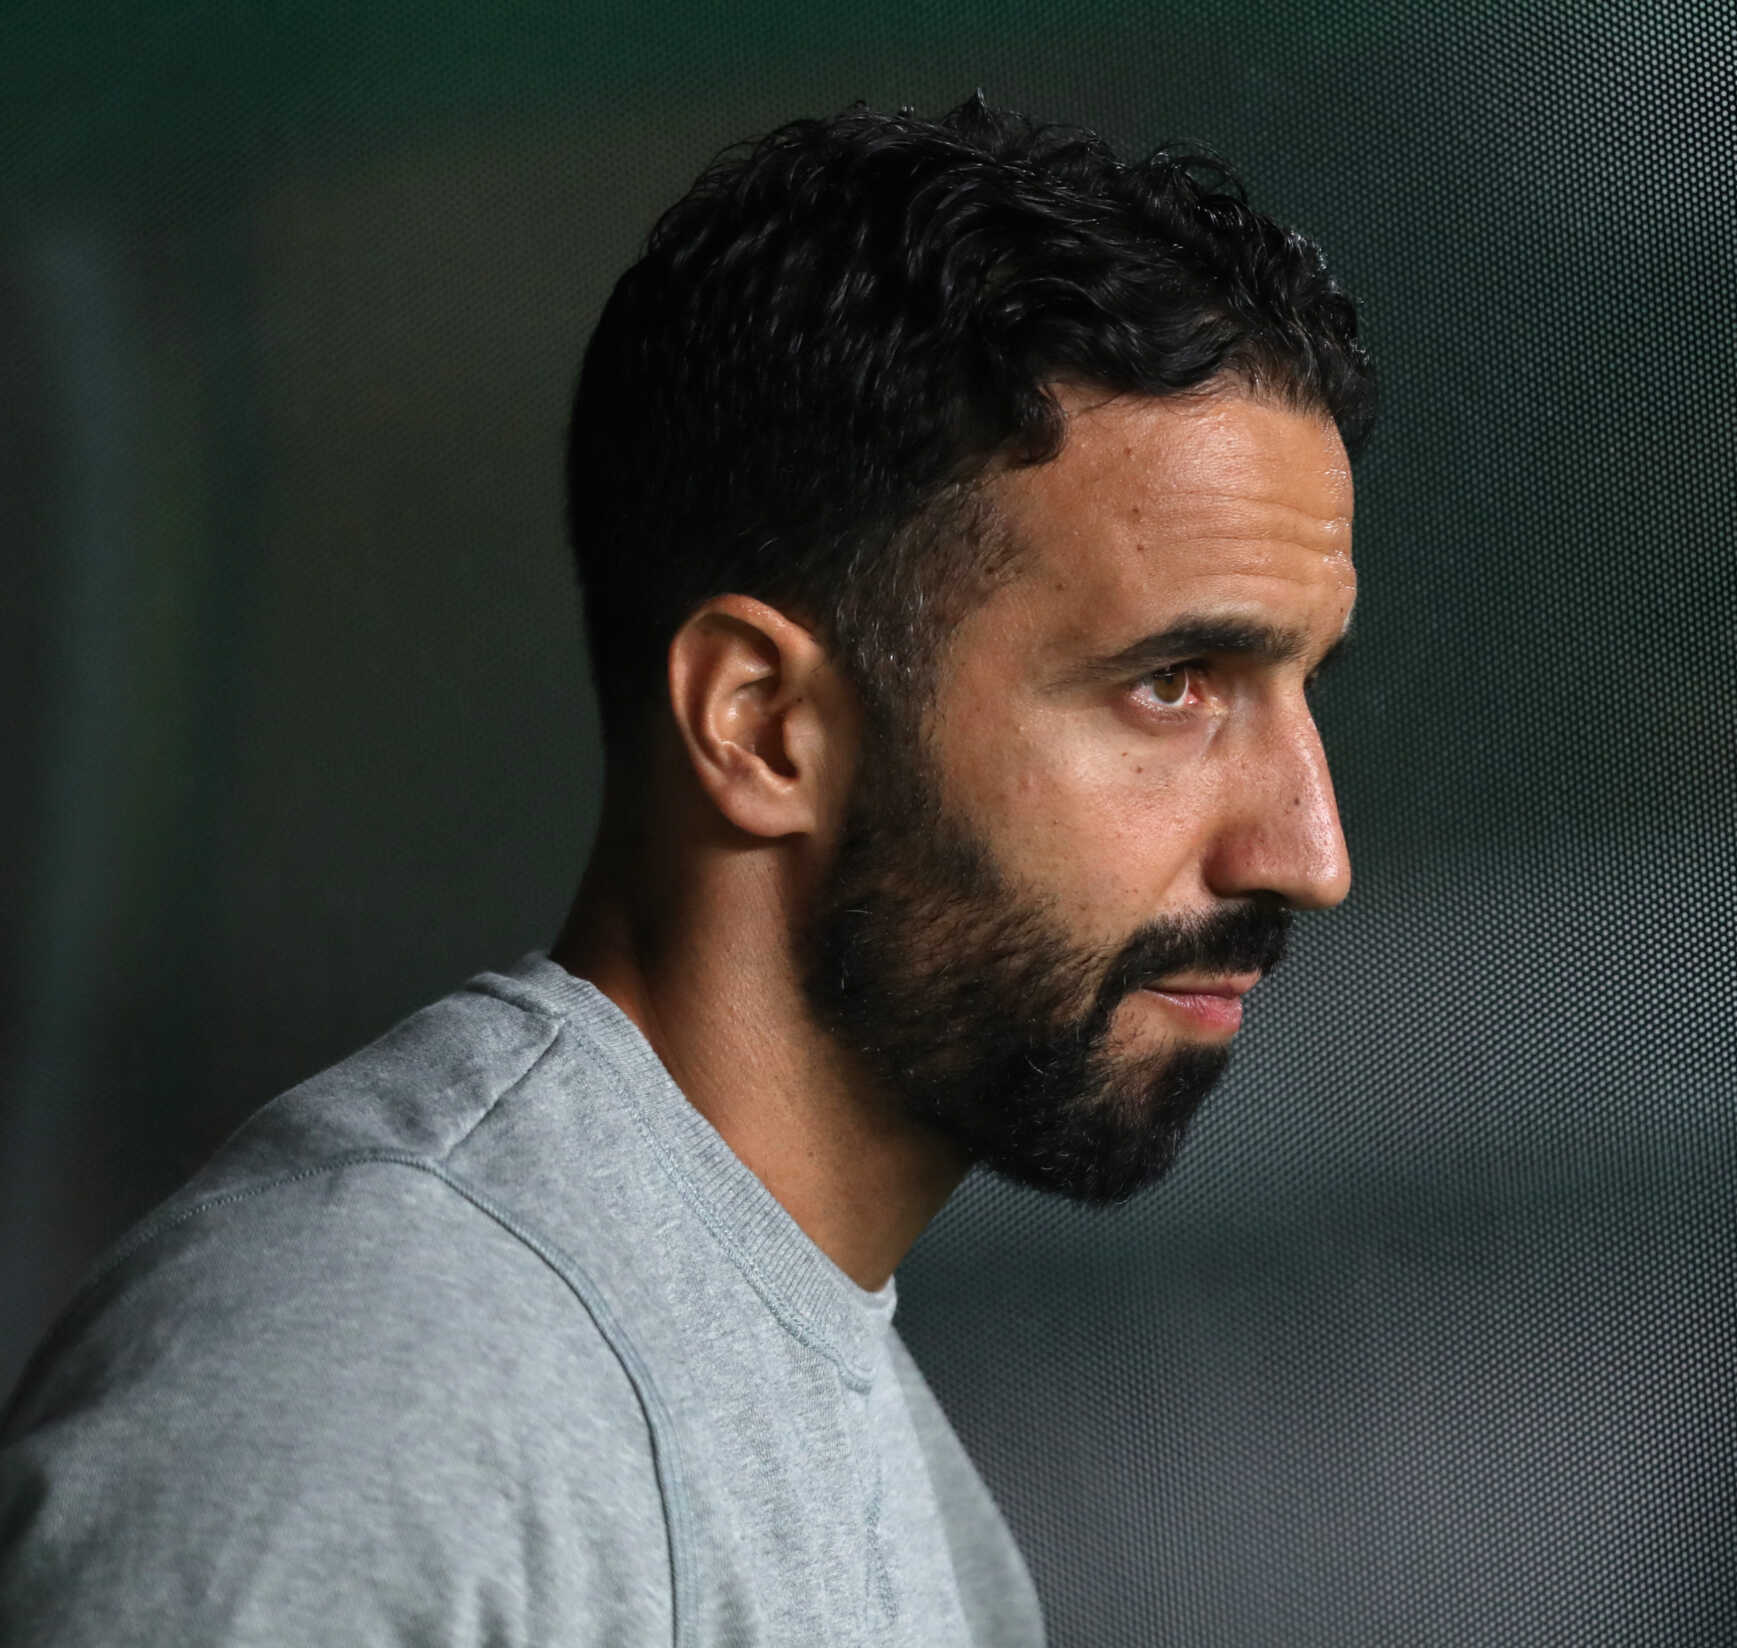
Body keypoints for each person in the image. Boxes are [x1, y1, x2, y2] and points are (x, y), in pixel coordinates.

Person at [0, 93, 1375, 1646]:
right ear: (764, 725)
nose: (1308, 853)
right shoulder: (379, 1380)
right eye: (1174, 683)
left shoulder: (895, 1485)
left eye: (1304, 685)